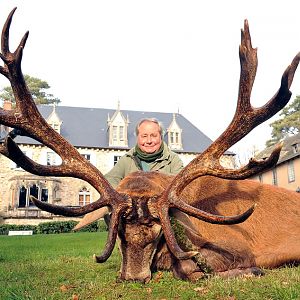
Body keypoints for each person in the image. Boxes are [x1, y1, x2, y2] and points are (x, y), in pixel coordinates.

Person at [105, 118, 184, 188]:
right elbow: (110, 180)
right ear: (137, 138)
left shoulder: (173, 160)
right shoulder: (128, 159)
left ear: (161, 137)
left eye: (153, 135)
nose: (149, 141)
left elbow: (180, 186)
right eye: (144, 136)